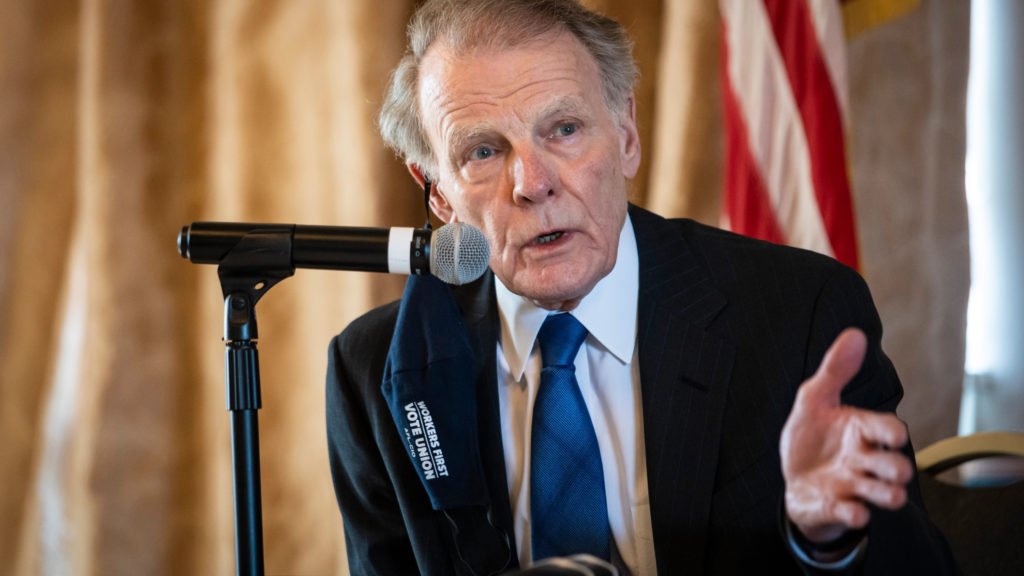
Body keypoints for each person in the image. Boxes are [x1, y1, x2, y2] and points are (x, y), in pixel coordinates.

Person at [325, 1, 959, 574]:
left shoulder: (800, 317)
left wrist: (828, 539)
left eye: (564, 129)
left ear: (625, 136)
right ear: (437, 191)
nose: (532, 182)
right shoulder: (376, 370)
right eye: (483, 152)